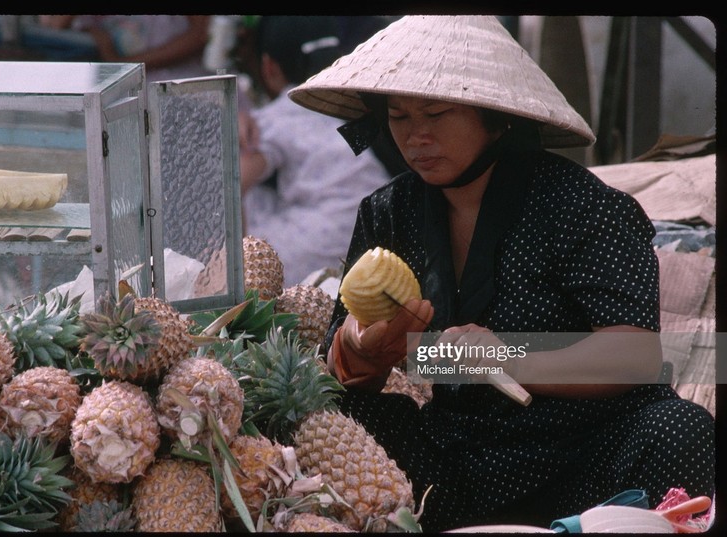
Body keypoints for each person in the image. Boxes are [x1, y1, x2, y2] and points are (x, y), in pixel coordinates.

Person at [287, 16, 715, 532]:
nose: (416, 136)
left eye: (437, 113)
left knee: (680, 428)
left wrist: (501, 355)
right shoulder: (389, 213)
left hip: (586, 455)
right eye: (398, 117)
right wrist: (360, 350)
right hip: (458, 462)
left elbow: (634, 354)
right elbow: (345, 366)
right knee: (337, 421)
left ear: (496, 118)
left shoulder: (583, 207)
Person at [239, 16, 391, 286]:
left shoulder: (275, 117)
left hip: (308, 251)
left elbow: (235, 181)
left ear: (269, 68)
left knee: (252, 200)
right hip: (377, 237)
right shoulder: (353, 104)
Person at [39, 15, 213, 82]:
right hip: (119, 101)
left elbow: (202, 34)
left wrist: (124, 65)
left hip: (181, 87)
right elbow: (52, 28)